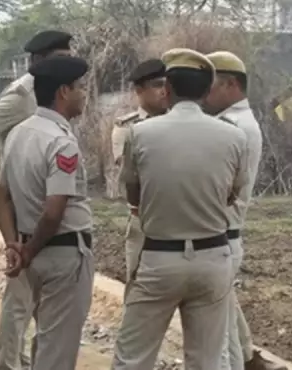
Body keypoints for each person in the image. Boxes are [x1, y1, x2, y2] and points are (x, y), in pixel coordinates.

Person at [111, 48, 248, 370]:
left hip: (160, 257)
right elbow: (232, 193)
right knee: (207, 361)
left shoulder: (140, 133)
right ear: (207, 90)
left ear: (167, 89)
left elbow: (133, 193)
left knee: (132, 358)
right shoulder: (233, 135)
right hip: (213, 257)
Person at [0, 30, 73, 370]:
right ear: (38, 62)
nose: (68, 66)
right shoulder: (22, 95)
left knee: (40, 302)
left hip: (47, 201)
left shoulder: (55, 95)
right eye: (61, 59)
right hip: (28, 207)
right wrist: (1, 192)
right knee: (20, 298)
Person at [0, 55, 94, 370]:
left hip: (31, 249)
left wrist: (14, 245)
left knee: (44, 344)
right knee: (56, 351)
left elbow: (1, 196)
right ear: (64, 91)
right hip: (63, 253)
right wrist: (27, 251)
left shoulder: (18, 133)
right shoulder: (61, 142)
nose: (84, 94)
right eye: (80, 87)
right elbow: (53, 212)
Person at [204, 51, 283, 370]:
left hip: (220, 236)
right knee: (225, 314)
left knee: (220, 336)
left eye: (209, 87)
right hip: (224, 237)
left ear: (231, 85)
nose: (204, 95)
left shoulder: (231, 127)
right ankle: (251, 359)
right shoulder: (236, 123)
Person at [108, 58, 168, 280]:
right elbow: (130, 174)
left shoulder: (182, 122)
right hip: (144, 218)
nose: (163, 91)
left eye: (166, 85)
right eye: (157, 85)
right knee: (137, 283)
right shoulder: (127, 127)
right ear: (139, 91)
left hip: (180, 218)